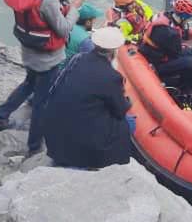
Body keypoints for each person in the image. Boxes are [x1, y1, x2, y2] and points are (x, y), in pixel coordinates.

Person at [0, 0, 85, 155]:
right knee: (41, 102)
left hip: (29, 48)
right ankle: (34, 147)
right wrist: (75, 8)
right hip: (47, 57)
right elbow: (63, 28)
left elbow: (45, 3)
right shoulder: (49, 0)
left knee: (29, 83)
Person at [41, 26, 132, 169]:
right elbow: (119, 110)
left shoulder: (77, 59)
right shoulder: (111, 76)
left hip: (53, 134)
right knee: (129, 122)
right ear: (114, 51)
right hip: (81, 143)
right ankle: (98, 164)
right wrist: (127, 102)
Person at [138, 0, 192, 86]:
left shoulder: (164, 15)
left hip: (154, 52)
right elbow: (175, 55)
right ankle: (188, 90)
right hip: (157, 63)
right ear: (182, 18)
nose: (189, 21)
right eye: (188, 18)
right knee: (191, 63)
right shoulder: (170, 33)